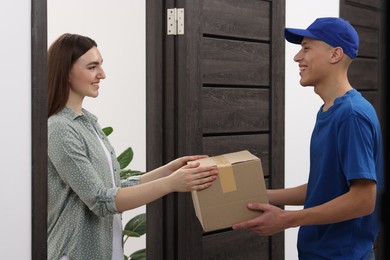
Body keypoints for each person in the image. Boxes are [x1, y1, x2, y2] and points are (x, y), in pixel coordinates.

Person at [47, 33, 218, 260]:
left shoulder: (88, 122)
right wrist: (171, 184)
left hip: (108, 251)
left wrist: (169, 171)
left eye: (101, 65)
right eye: (92, 67)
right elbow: (101, 200)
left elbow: (113, 187)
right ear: (65, 72)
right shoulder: (58, 128)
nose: (102, 74)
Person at [232, 17, 384, 259]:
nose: (297, 58)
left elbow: (363, 200)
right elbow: (324, 187)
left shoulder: (352, 115)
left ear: (335, 55)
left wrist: (286, 220)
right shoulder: (329, 110)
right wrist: (262, 195)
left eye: (306, 48)